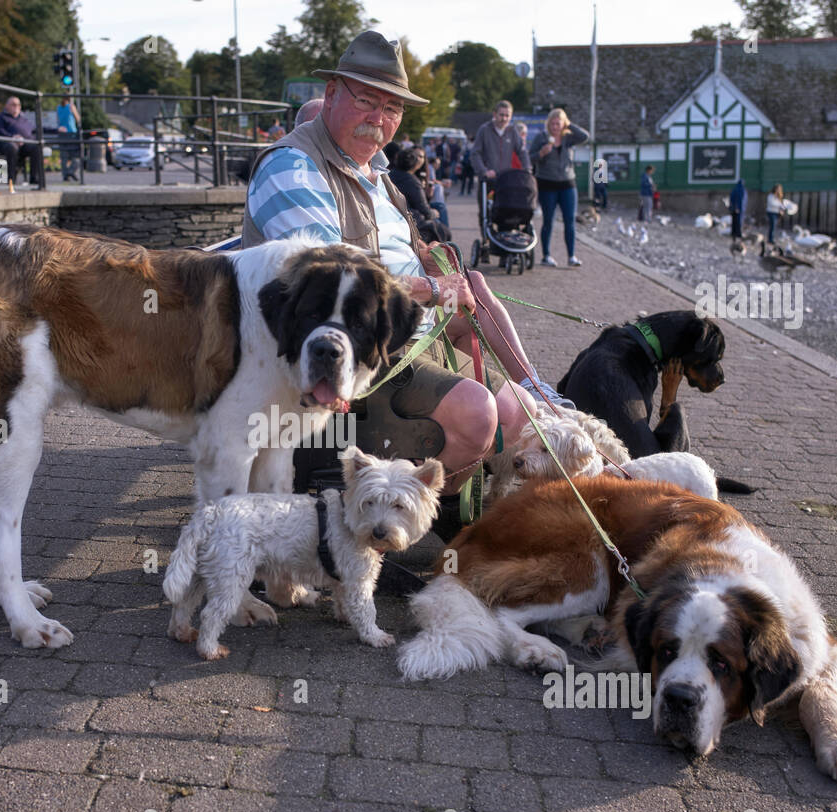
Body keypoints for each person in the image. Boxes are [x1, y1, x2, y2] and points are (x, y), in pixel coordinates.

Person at [242, 30, 572, 522]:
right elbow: (334, 279)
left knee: (522, 411)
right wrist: (435, 289)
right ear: (331, 94)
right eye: (367, 101)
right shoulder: (293, 167)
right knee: (479, 417)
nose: (380, 119)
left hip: (410, 331)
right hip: (346, 355)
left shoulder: (375, 173)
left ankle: (427, 510)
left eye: (392, 108)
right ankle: (375, 520)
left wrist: (435, 263)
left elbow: (410, 246)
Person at [527, 107, 589, 267]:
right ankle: (546, 256)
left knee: (570, 221)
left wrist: (569, 125)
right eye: (552, 124)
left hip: (568, 184)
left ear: (563, 124)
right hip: (547, 184)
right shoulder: (541, 138)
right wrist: (541, 154)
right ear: (548, 124)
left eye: (558, 123)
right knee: (549, 221)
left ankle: (571, 256)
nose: (555, 127)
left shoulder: (568, 138)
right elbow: (529, 158)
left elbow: (585, 136)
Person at [470, 100, 529, 263]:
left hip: (506, 182)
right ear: (494, 114)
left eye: (507, 116)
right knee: (486, 214)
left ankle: (506, 249)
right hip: (488, 180)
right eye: (501, 115)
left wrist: (527, 169)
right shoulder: (484, 130)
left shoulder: (512, 131)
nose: (504, 119)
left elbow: (522, 152)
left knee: (506, 212)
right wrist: (483, 171)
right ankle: (487, 243)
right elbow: (475, 153)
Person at [389, 147, 448, 243]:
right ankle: (446, 248)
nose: (419, 159)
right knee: (441, 219)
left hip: (408, 210)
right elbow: (423, 207)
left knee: (439, 207)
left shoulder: (393, 174)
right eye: (417, 156)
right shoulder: (411, 179)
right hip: (411, 215)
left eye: (421, 157)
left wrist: (428, 194)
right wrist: (433, 213)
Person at [0, 96, 43, 185]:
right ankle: (11, 179)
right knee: (12, 148)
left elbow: (35, 129)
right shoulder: (1, 118)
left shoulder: (24, 119)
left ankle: (34, 178)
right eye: (13, 104)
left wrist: (57, 129)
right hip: (8, 143)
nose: (16, 106)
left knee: (36, 147)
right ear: (7, 106)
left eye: (18, 105)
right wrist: (13, 137)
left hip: (24, 143)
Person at [55, 96, 81, 182]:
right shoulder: (71, 107)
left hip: (62, 133)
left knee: (64, 157)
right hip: (71, 133)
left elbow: (58, 120)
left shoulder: (58, 107)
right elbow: (78, 119)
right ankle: (71, 171)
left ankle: (65, 175)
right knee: (76, 156)